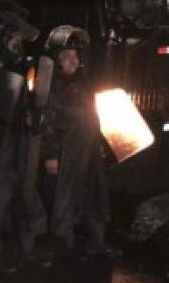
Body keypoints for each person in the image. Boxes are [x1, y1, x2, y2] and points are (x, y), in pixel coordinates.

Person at [0, 1, 45, 273]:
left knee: (16, 200)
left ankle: (15, 251)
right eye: (13, 39)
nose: (17, 44)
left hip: (15, 149)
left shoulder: (14, 75)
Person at [39, 26, 113, 257]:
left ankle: (97, 243)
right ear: (56, 60)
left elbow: (94, 114)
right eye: (66, 56)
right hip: (68, 150)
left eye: (75, 55)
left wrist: (101, 143)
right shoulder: (51, 87)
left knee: (95, 194)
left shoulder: (83, 82)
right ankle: (64, 246)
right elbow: (47, 122)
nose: (72, 61)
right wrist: (51, 154)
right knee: (66, 198)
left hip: (89, 148)